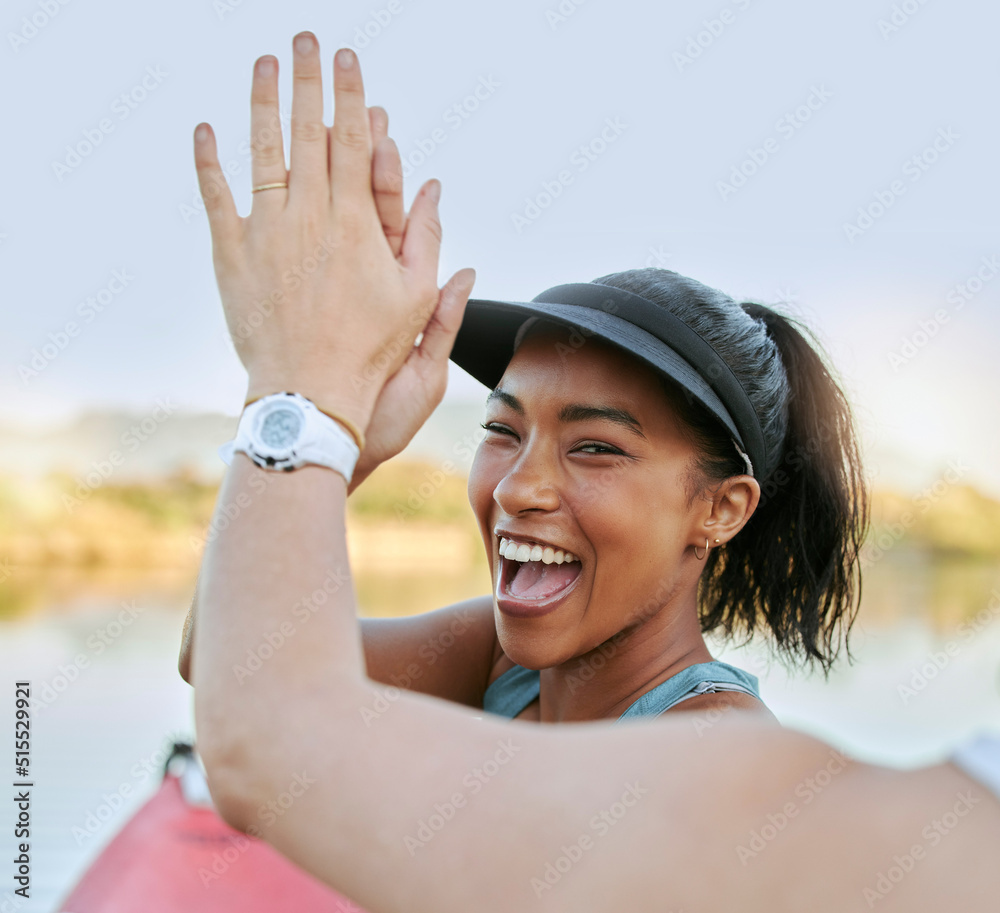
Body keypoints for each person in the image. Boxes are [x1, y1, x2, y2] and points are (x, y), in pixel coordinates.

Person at [186, 31, 1000, 912]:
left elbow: (271, 735)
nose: (517, 486)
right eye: (503, 429)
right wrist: (346, 449)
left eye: (596, 447)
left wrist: (306, 388)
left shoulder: (711, 752)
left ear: (720, 509)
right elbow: (220, 655)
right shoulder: (497, 661)